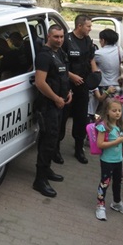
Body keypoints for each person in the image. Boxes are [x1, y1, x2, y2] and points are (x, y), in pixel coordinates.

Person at [32, 24, 72, 199]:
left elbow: (63, 75)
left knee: (53, 139)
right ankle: (39, 180)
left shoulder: (60, 52)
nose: (59, 40)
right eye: (56, 36)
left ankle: (46, 169)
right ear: (49, 36)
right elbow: (40, 82)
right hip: (48, 105)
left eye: (62, 36)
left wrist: (68, 92)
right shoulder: (44, 56)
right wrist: (56, 98)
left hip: (59, 103)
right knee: (48, 140)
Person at [60, 14, 99, 164]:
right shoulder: (66, 41)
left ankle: (78, 149)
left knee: (81, 117)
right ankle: (56, 149)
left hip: (83, 85)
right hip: (67, 86)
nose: (90, 29)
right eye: (88, 26)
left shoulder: (88, 40)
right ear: (79, 26)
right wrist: (71, 76)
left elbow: (91, 58)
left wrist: (95, 73)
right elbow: (59, 64)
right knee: (63, 117)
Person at [94, 100, 123, 220]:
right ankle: (100, 205)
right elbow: (100, 144)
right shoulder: (104, 127)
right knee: (105, 183)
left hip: (118, 160)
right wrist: (117, 141)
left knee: (118, 183)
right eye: (114, 110)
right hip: (107, 161)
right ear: (107, 112)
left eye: (119, 110)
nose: (117, 113)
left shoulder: (119, 126)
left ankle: (117, 202)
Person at [94, 29, 123, 104]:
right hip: (120, 86)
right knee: (119, 109)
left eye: (100, 39)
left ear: (103, 40)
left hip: (105, 87)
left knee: (106, 109)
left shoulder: (98, 54)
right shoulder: (120, 50)